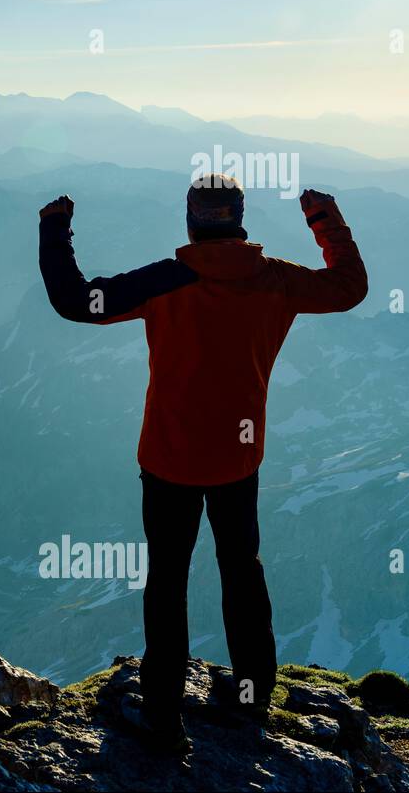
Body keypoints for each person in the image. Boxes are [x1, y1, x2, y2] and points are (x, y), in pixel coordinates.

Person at [37, 176, 367, 754]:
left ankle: (163, 719)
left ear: (191, 222)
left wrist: (54, 231)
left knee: (167, 580)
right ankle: (249, 697)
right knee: (242, 570)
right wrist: (323, 217)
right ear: (239, 219)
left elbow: (75, 301)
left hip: (168, 460)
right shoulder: (275, 280)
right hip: (238, 459)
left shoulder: (166, 281)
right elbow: (349, 287)